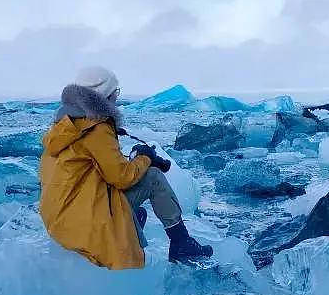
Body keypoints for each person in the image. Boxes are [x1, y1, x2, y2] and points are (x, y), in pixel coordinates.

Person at [39, 66, 212, 269]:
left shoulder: (65, 126)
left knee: (138, 211)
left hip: (60, 219)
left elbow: (92, 171)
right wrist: (145, 158)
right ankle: (181, 243)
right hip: (86, 221)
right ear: (106, 95)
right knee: (154, 177)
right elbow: (122, 177)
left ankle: (131, 222)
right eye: (115, 92)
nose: (117, 97)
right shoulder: (97, 128)